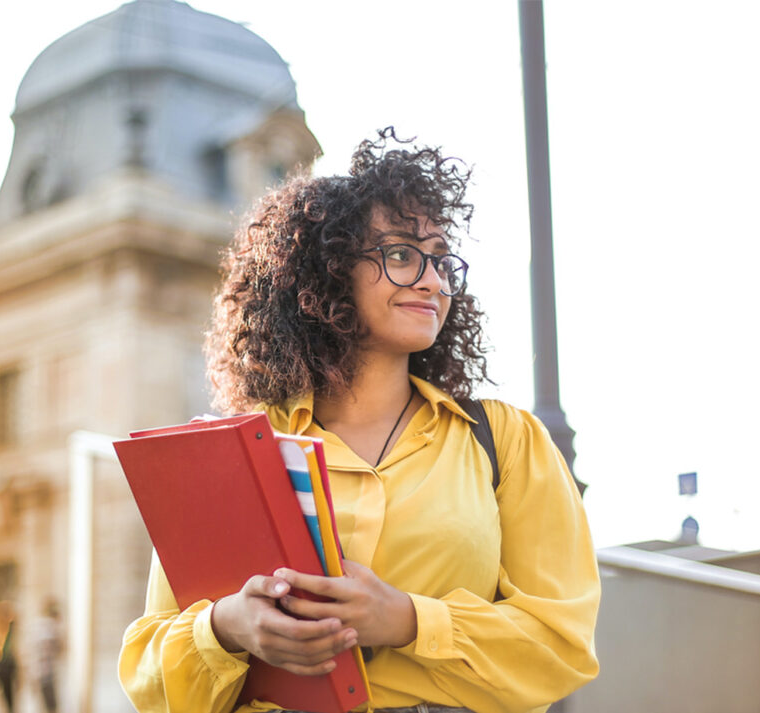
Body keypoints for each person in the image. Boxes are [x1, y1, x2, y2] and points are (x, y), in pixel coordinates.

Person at [118, 128, 600, 713]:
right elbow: (148, 676)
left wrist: (407, 620)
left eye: (442, 261)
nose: (432, 280)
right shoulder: (236, 453)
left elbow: (562, 646)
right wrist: (224, 628)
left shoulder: (505, 441)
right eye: (401, 254)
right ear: (327, 272)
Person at [33, 598, 64, 713]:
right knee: (51, 706)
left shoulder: (38, 627)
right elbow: (59, 648)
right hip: (47, 674)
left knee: (45, 705)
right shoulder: (49, 628)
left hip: (39, 673)